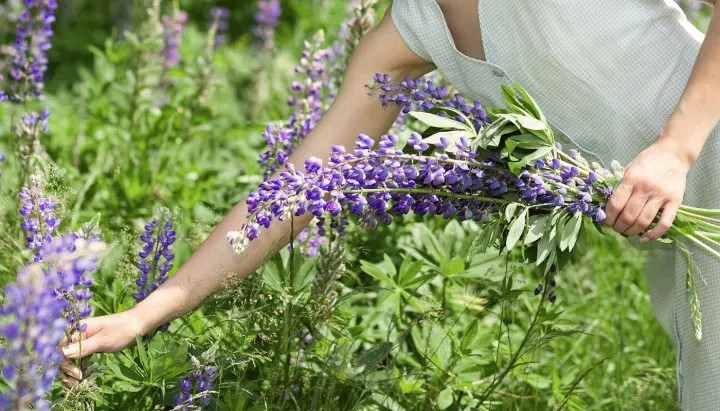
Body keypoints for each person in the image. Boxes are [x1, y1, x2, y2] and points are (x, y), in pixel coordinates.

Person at [61, 0, 720, 408]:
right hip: (686, 236)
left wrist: (676, 148)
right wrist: (150, 310)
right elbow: (296, 190)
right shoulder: (411, 32)